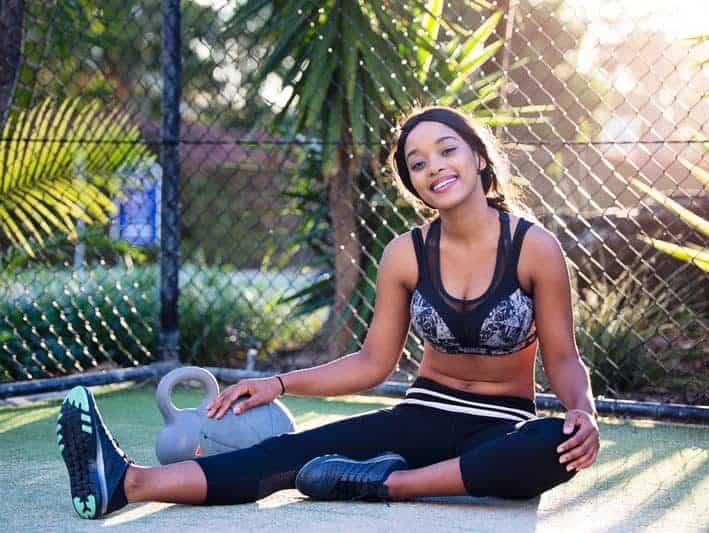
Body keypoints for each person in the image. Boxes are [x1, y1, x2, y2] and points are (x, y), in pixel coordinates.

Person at [57, 106, 600, 519]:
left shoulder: (535, 247)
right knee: (286, 453)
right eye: (418, 163)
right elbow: (371, 364)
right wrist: (279, 383)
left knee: (551, 446)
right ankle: (126, 483)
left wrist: (583, 413)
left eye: (446, 150)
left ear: (477, 156)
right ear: (411, 183)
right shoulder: (405, 255)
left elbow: (563, 357)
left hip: (501, 426)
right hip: (422, 417)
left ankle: (384, 483)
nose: (434, 167)